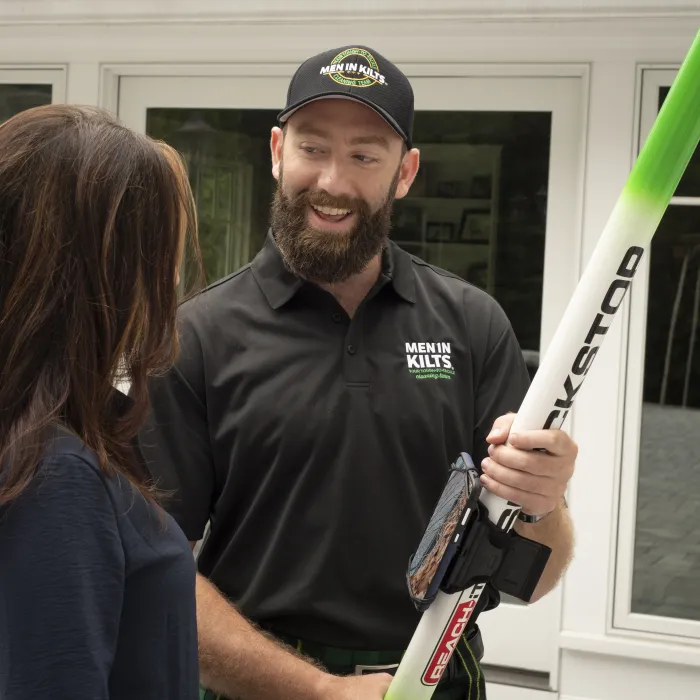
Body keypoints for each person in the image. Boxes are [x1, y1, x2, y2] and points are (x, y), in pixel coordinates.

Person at [139, 45, 578, 700]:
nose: (333, 182)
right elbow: (157, 574)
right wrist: (315, 690)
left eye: (365, 156)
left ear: (405, 172)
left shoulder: (472, 325)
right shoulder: (197, 336)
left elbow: (532, 577)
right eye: (313, 148)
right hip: (259, 681)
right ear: (276, 150)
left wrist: (544, 503)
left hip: (433, 676)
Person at [0, 104, 204, 699]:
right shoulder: (53, 474)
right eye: (155, 252)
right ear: (99, 272)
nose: (167, 282)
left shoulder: (39, 437)